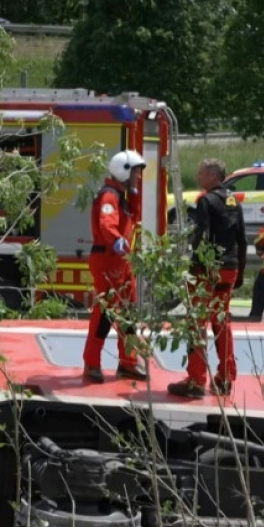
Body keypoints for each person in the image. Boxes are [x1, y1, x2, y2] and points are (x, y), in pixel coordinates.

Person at [167, 159, 247, 399]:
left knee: (196, 324)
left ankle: (195, 380)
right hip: (229, 268)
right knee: (222, 323)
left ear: (213, 176)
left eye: (201, 173)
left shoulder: (205, 200)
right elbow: (241, 239)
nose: (198, 176)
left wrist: (193, 267)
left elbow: (203, 235)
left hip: (207, 270)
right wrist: (240, 272)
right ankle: (224, 378)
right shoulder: (233, 201)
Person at [81, 150, 149, 384]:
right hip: (108, 259)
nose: (139, 177)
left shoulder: (122, 195)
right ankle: (91, 363)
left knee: (128, 312)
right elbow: (107, 224)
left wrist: (135, 194)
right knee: (105, 314)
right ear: (124, 171)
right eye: (136, 173)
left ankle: (128, 362)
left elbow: (133, 216)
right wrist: (117, 240)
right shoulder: (109, 196)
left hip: (121, 261)